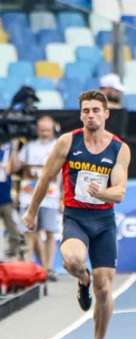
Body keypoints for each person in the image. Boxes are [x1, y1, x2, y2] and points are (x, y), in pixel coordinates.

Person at [22, 90, 131, 339]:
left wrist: (101, 193)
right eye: (86, 110)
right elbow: (46, 177)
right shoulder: (67, 142)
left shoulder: (119, 149)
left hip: (104, 222)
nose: (90, 115)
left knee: (105, 287)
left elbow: (119, 193)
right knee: (71, 259)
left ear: (106, 114)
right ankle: (83, 281)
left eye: (96, 110)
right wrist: (32, 211)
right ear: (81, 114)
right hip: (76, 217)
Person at [13, 115, 62, 280]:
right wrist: (14, 147)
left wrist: (63, 196)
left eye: (47, 130)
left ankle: (48, 269)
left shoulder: (58, 146)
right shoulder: (29, 147)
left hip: (51, 196)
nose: (44, 133)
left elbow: (64, 173)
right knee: (29, 232)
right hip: (28, 196)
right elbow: (15, 166)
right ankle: (30, 268)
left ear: (52, 129)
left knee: (49, 232)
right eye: (41, 129)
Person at [0, 141, 22, 260]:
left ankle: (13, 256)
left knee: (13, 230)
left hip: (5, 198)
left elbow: (15, 168)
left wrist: (14, 148)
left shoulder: (7, 149)